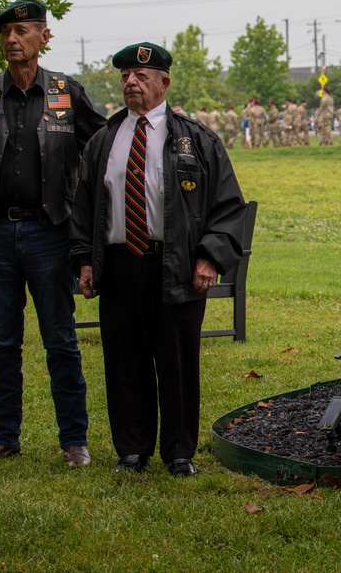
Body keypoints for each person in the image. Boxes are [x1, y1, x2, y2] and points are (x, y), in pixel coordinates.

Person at [70, 42, 247, 477]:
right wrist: (84, 261)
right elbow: (83, 207)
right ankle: (132, 450)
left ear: (164, 82)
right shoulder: (104, 141)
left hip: (178, 265)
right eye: (126, 76)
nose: (131, 82)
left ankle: (179, 451)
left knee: (178, 361)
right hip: (119, 263)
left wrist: (209, 258)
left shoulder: (197, 139)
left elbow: (228, 208)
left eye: (142, 76)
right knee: (125, 361)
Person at [0, 0, 106, 467]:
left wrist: (88, 236)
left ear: (44, 37)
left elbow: (101, 153)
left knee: (60, 340)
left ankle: (73, 441)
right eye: (5, 33)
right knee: (1, 343)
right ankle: (4, 438)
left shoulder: (66, 93)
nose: (12, 40)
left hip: (50, 235)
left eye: (22, 31)